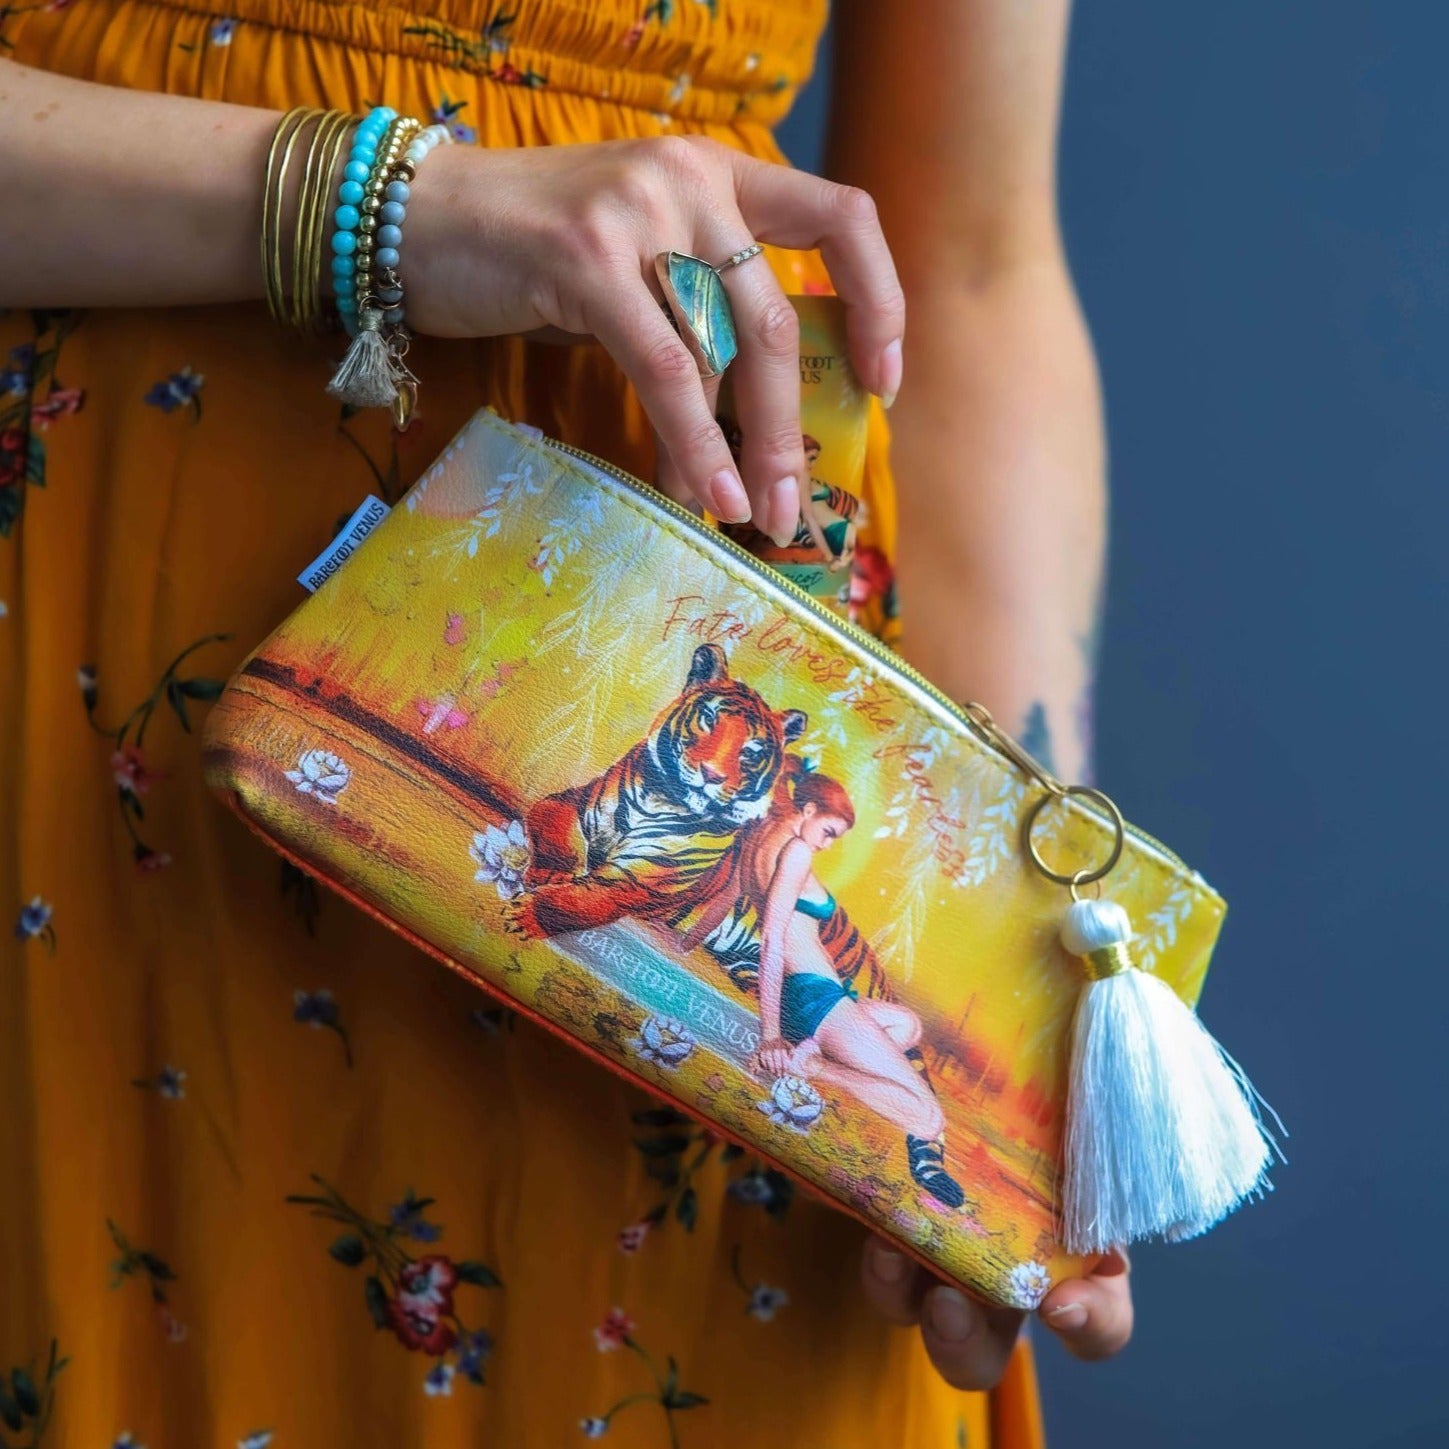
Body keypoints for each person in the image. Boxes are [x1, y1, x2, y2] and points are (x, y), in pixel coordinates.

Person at [0, 0, 1130, 1443]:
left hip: (725, 668)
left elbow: (965, 270)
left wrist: (1023, 937)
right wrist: (396, 206)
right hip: (105, 698)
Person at [746, 767, 968, 1210]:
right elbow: (772, 941)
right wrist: (770, 1031)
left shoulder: (768, 840)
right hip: (816, 1000)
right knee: (927, 1117)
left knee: (905, 1025)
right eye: (827, 831)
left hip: (819, 996)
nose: (826, 844)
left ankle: (824, 1050)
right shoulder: (796, 853)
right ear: (808, 810)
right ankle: (815, 1067)